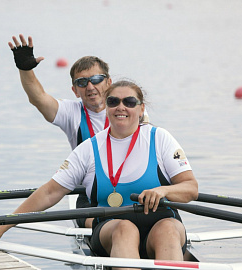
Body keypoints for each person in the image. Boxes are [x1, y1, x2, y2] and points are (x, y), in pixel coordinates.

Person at [0, 80, 198, 269]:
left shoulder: (160, 138)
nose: (121, 107)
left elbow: (191, 188)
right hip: (112, 228)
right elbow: (50, 192)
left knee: (168, 229)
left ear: (141, 110)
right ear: (107, 107)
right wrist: (1, 229)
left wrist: (164, 190)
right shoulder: (88, 149)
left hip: (162, 221)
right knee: (125, 228)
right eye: (113, 102)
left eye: (129, 102)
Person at [8, 34, 149, 228]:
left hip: (134, 187)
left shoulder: (130, 108)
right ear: (75, 90)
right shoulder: (71, 113)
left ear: (108, 82)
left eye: (96, 79)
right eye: (82, 83)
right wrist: (25, 69)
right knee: (118, 227)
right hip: (90, 193)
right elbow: (39, 98)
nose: (90, 87)